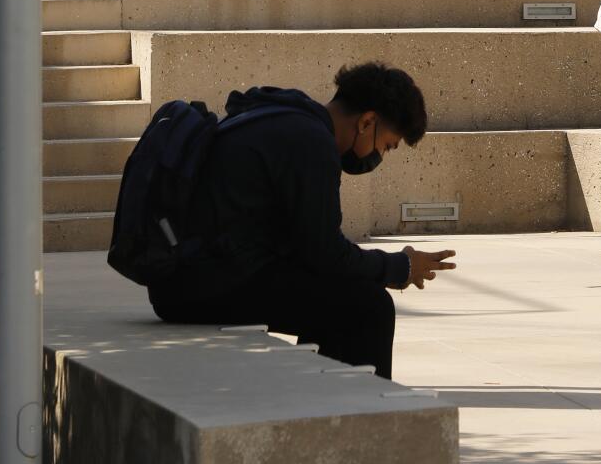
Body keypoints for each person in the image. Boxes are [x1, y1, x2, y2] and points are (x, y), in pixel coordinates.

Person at [148, 62, 455, 377]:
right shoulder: (312, 143)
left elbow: (312, 247)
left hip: (183, 278)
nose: (380, 155)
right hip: (199, 287)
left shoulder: (287, 118)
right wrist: (399, 267)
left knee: (339, 296)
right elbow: (326, 254)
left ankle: (322, 395)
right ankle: (360, 413)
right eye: (386, 146)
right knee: (369, 307)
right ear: (367, 121)